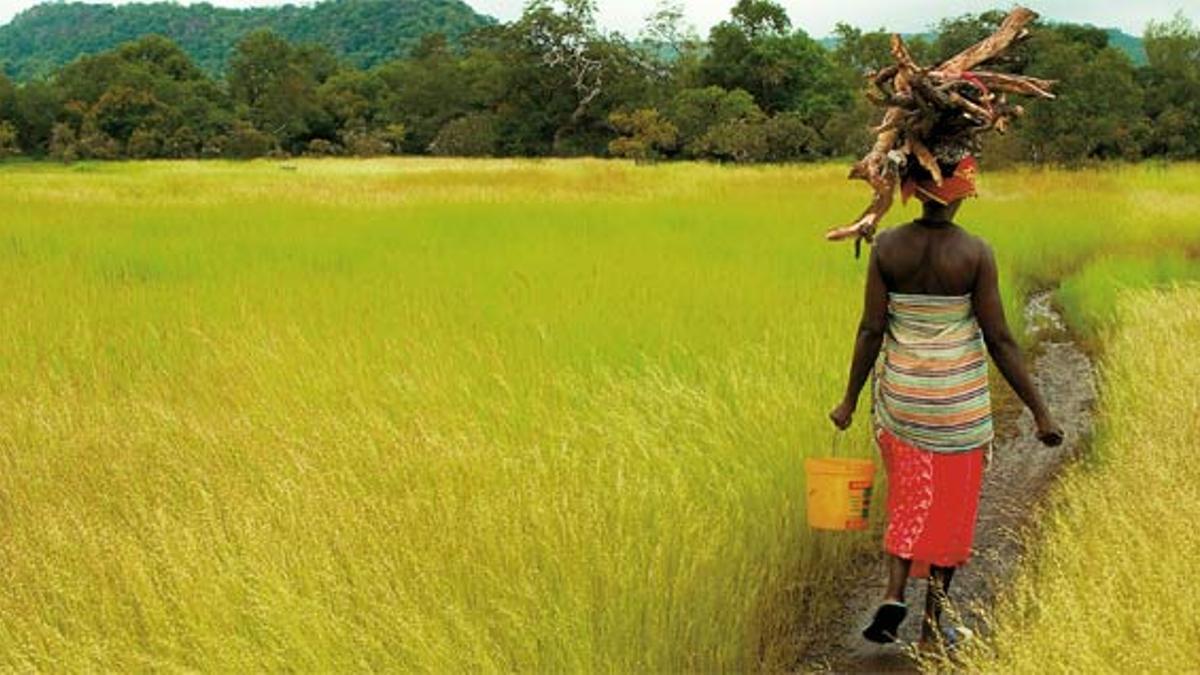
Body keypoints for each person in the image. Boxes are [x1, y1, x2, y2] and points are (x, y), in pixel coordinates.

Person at [827, 155, 1064, 652]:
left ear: (913, 189)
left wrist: (849, 400)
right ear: (957, 195)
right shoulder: (975, 252)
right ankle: (935, 621)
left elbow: (871, 329)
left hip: (903, 399)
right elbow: (998, 337)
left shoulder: (888, 246)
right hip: (958, 404)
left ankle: (894, 593)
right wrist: (1040, 411)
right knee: (952, 508)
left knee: (910, 496)